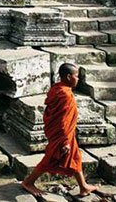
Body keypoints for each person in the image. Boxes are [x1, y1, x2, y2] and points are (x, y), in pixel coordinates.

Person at [21, 63, 98, 197]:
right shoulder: (65, 95)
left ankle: (83, 186)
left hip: (65, 133)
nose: (78, 79)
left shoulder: (57, 88)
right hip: (63, 135)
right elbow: (63, 121)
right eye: (76, 76)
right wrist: (65, 141)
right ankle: (28, 182)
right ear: (68, 77)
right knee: (50, 159)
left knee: (75, 157)